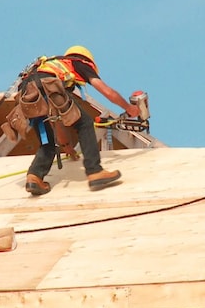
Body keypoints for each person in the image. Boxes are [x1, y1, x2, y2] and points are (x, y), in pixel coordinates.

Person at [18, 45, 140, 196]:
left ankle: (34, 177)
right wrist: (129, 108)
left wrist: (66, 146)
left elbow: (56, 119)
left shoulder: (50, 65)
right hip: (47, 85)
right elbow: (105, 90)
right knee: (85, 124)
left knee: (48, 141)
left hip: (26, 93)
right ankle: (95, 172)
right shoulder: (78, 62)